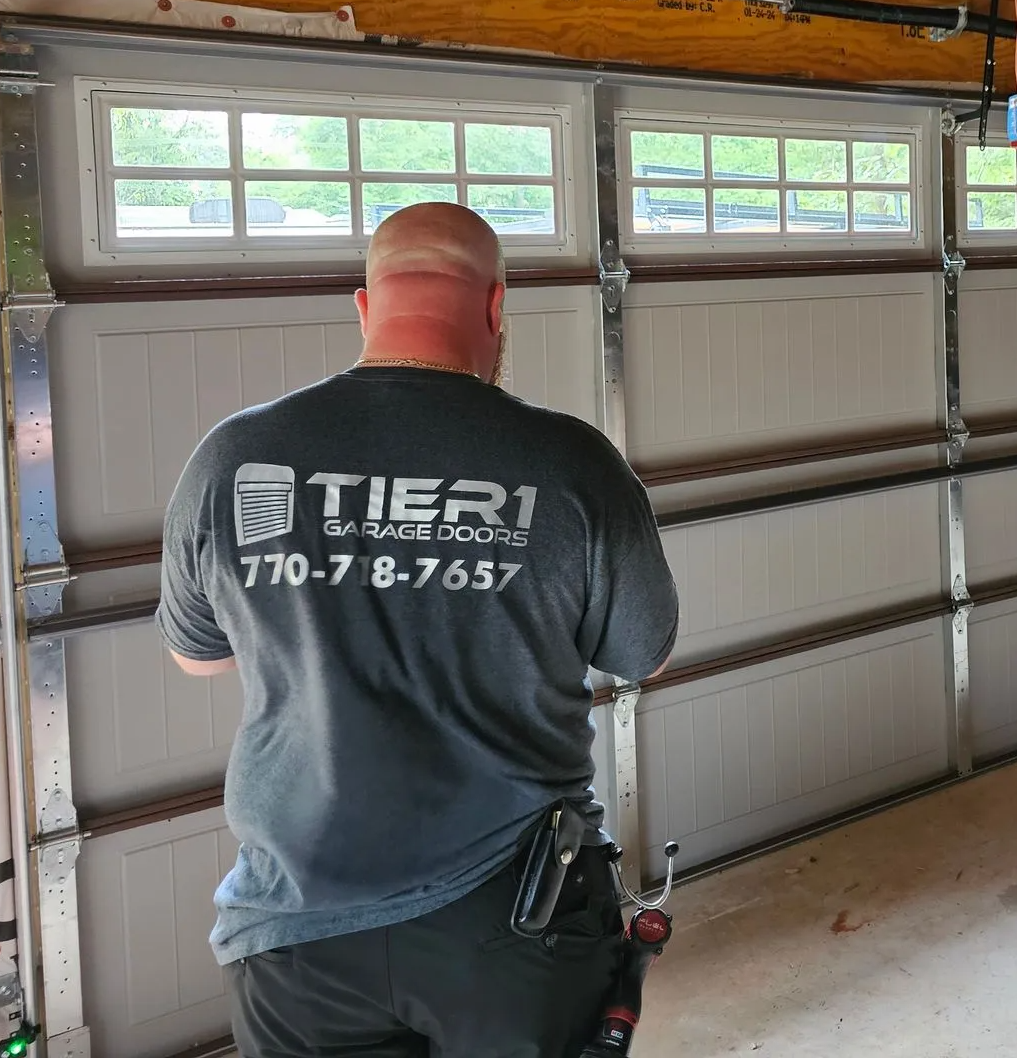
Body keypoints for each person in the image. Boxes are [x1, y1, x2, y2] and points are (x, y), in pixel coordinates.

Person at [157, 202, 679, 1058]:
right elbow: (642, 655)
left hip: (297, 924)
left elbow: (196, 654)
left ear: (365, 307)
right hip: (517, 917)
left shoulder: (234, 458)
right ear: (495, 307)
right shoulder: (574, 462)